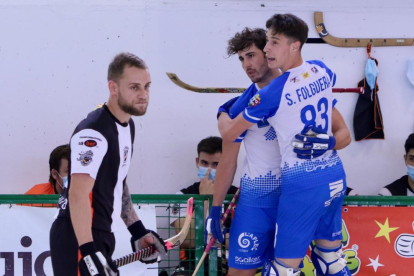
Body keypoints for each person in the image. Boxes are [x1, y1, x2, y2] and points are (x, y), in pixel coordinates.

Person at [206, 24, 351, 276]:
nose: (246, 65)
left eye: (251, 55)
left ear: (270, 52)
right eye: (241, 59)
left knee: (295, 269)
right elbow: (228, 162)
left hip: (298, 195)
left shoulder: (305, 89)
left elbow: (344, 135)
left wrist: (326, 144)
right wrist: (217, 207)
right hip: (258, 202)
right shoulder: (240, 107)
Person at [49, 52, 167, 276]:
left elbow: (117, 183)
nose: (144, 95)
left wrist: (138, 231)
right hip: (77, 235)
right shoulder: (94, 131)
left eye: (147, 86)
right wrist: (88, 250)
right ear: (113, 87)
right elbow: (77, 194)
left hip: (101, 233)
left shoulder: (127, 125)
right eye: (134, 87)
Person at [170, 136, 238, 276]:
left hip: (231, 266)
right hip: (192, 265)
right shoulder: (183, 195)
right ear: (197, 162)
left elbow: (241, 242)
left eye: (215, 165)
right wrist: (204, 200)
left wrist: (212, 236)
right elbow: (187, 239)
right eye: (204, 163)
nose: (208, 170)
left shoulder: (238, 196)